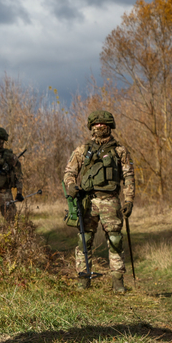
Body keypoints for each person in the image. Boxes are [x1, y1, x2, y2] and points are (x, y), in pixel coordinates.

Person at [63, 110, 135, 293]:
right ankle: (83, 279)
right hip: (87, 201)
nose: (100, 126)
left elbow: (128, 177)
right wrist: (71, 186)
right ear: (91, 127)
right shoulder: (82, 150)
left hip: (111, 201)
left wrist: (128, 200)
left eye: (104, 124)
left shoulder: (120, 151)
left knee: (115, 240)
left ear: (110, 126)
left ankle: (118, 281)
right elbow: (69, 173)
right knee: (84, 240)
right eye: (96, 124)